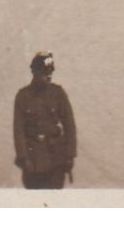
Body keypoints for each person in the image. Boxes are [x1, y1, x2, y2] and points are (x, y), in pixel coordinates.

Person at [13, 52, 76, 189]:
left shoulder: (58, 93)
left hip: (56, 158)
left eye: (50, 72)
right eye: (44, 72)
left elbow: (69, 125)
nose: (48, 76)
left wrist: (70, 155)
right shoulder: (23, 96)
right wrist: (24, 157)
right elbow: (18, 130)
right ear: (34, 72)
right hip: (33, 160)